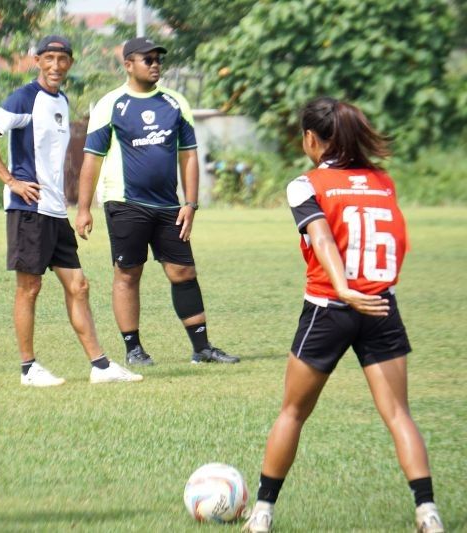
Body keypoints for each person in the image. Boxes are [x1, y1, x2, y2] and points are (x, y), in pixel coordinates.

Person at [242, 97, 444, 533]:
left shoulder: (306, 183)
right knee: (398, 415)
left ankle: (261, 513)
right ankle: (428, 513)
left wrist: (344, 290)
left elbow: (322, 240)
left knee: (292, 412)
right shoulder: (382, 181)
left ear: (310, 138)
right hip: (382, 307)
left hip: (330, 308)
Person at [0, 35, 141, 386]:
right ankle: (28, 368)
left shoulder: (62, 101)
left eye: (62, 59)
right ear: (37, 61)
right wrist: (10, 180)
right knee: (29, 287)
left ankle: (100, 366)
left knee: (78, 285)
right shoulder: (24, 98)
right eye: (48, 58)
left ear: (70, 63)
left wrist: (78, 208)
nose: (55, 66)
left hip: (54, 211)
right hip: (28, 209)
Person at [75, 37, 238, 367]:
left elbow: (189, 156)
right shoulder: (111, 104)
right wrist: (83, 208)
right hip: (125, 203)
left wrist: (190, 204)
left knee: (183, 271)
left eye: (157, 59)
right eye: (146, 59)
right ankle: (133, 349)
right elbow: (92, 159)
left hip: (168, 206)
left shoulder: (175, 103)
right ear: (128, 64)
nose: (154, 64)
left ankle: (202, 348)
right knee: (128, 273)